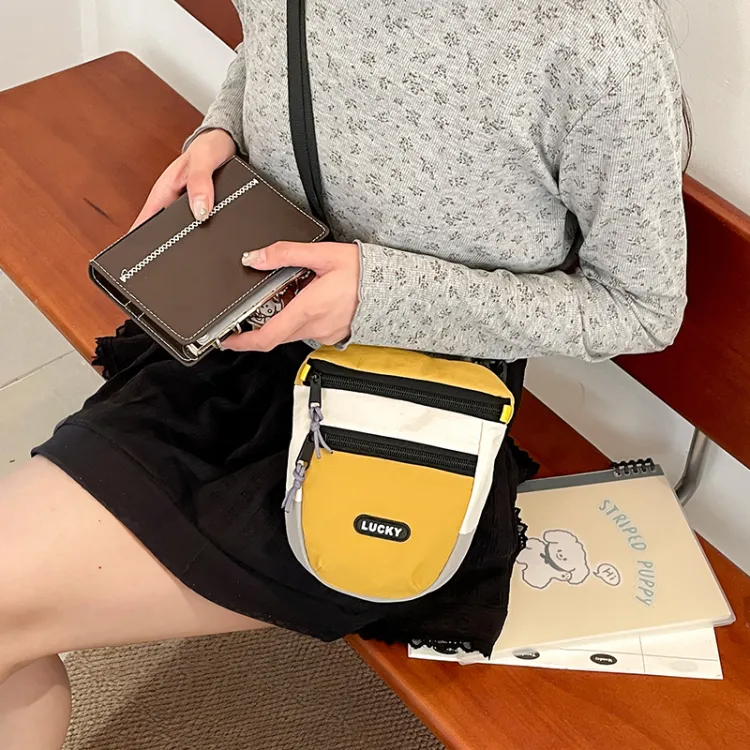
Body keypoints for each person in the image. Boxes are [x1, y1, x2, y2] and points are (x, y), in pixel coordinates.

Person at [0, 1, 688, 747]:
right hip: (240, 336)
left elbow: (641, 307)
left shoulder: (595, 37)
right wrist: (221, 131)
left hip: (411, 418)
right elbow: (268, 47)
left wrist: (378, 296)